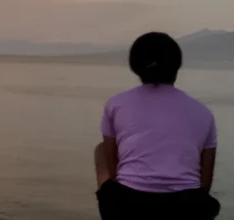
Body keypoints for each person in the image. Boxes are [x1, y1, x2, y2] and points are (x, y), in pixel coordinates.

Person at [94, 32, 220, 220]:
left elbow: (113, 166)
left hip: (128, 205)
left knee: (101, 149)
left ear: (135, 66)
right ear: (177, 65)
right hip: (187, 208)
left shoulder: (116, 104)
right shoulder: (203, 112)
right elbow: (205, 181)